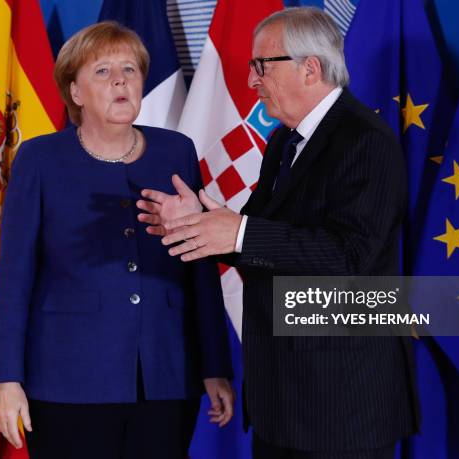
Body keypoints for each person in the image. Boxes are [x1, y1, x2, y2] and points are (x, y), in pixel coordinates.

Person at [137, 7, 420, 459]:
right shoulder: (283, 140)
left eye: (261, 66)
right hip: (281, 402)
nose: (252, 80)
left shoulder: (365, 140)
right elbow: (255, 241)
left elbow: (350, 257)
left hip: (341, 406)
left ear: (310, 68)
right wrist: (202, 223)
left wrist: (240, 234)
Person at [0, 21, 234, 459]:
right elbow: (14, 278)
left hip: (167, 375)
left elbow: (200, 266)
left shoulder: (176, 150)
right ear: (75, 93)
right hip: (67, 381)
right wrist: (7, 379)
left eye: (130, 69)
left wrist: (215, 367)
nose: (121, 79)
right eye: (102, 71)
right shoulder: (40, 158)